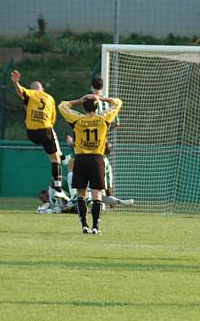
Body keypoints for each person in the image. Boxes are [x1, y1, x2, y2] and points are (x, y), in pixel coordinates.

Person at [58, 94, 123, 234]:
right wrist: (101, 98)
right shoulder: (103, 118)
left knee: (81, 195)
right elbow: (117, 102)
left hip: (81, 159)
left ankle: (84, 226)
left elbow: (62, 105)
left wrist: (79, 100)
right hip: (97, 159)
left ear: (83, 106)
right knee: (96, 195)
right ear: (97, 106)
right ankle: (95, 227)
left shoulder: (77, 119)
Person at [10, 70, 69, 202]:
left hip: (31, 133)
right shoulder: (49, 98)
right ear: (43, 89)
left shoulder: (30, 94)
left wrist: (16, 82)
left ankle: (60, 159)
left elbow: (20, 91)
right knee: (55, 159)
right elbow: (52, 120)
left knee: (51, 155)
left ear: (32, 89)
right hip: (45, 131)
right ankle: (58, 189)